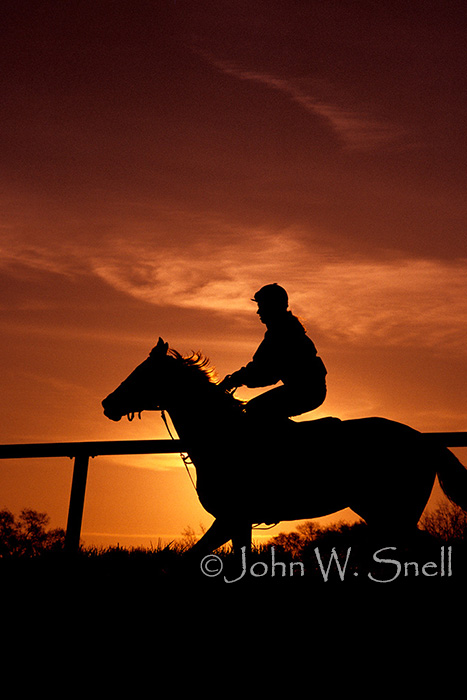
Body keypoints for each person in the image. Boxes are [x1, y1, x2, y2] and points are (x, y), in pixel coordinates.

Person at [219, 284, 327, 421]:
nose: (258, 312)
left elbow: (264, 371)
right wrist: (238, 379)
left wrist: (235, 380)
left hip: (306, 392)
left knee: (255, 410)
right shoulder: (284, 329)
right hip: (307, 390)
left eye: (261, 306)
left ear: (272, 306)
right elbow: (264, 371)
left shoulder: (281, 333)